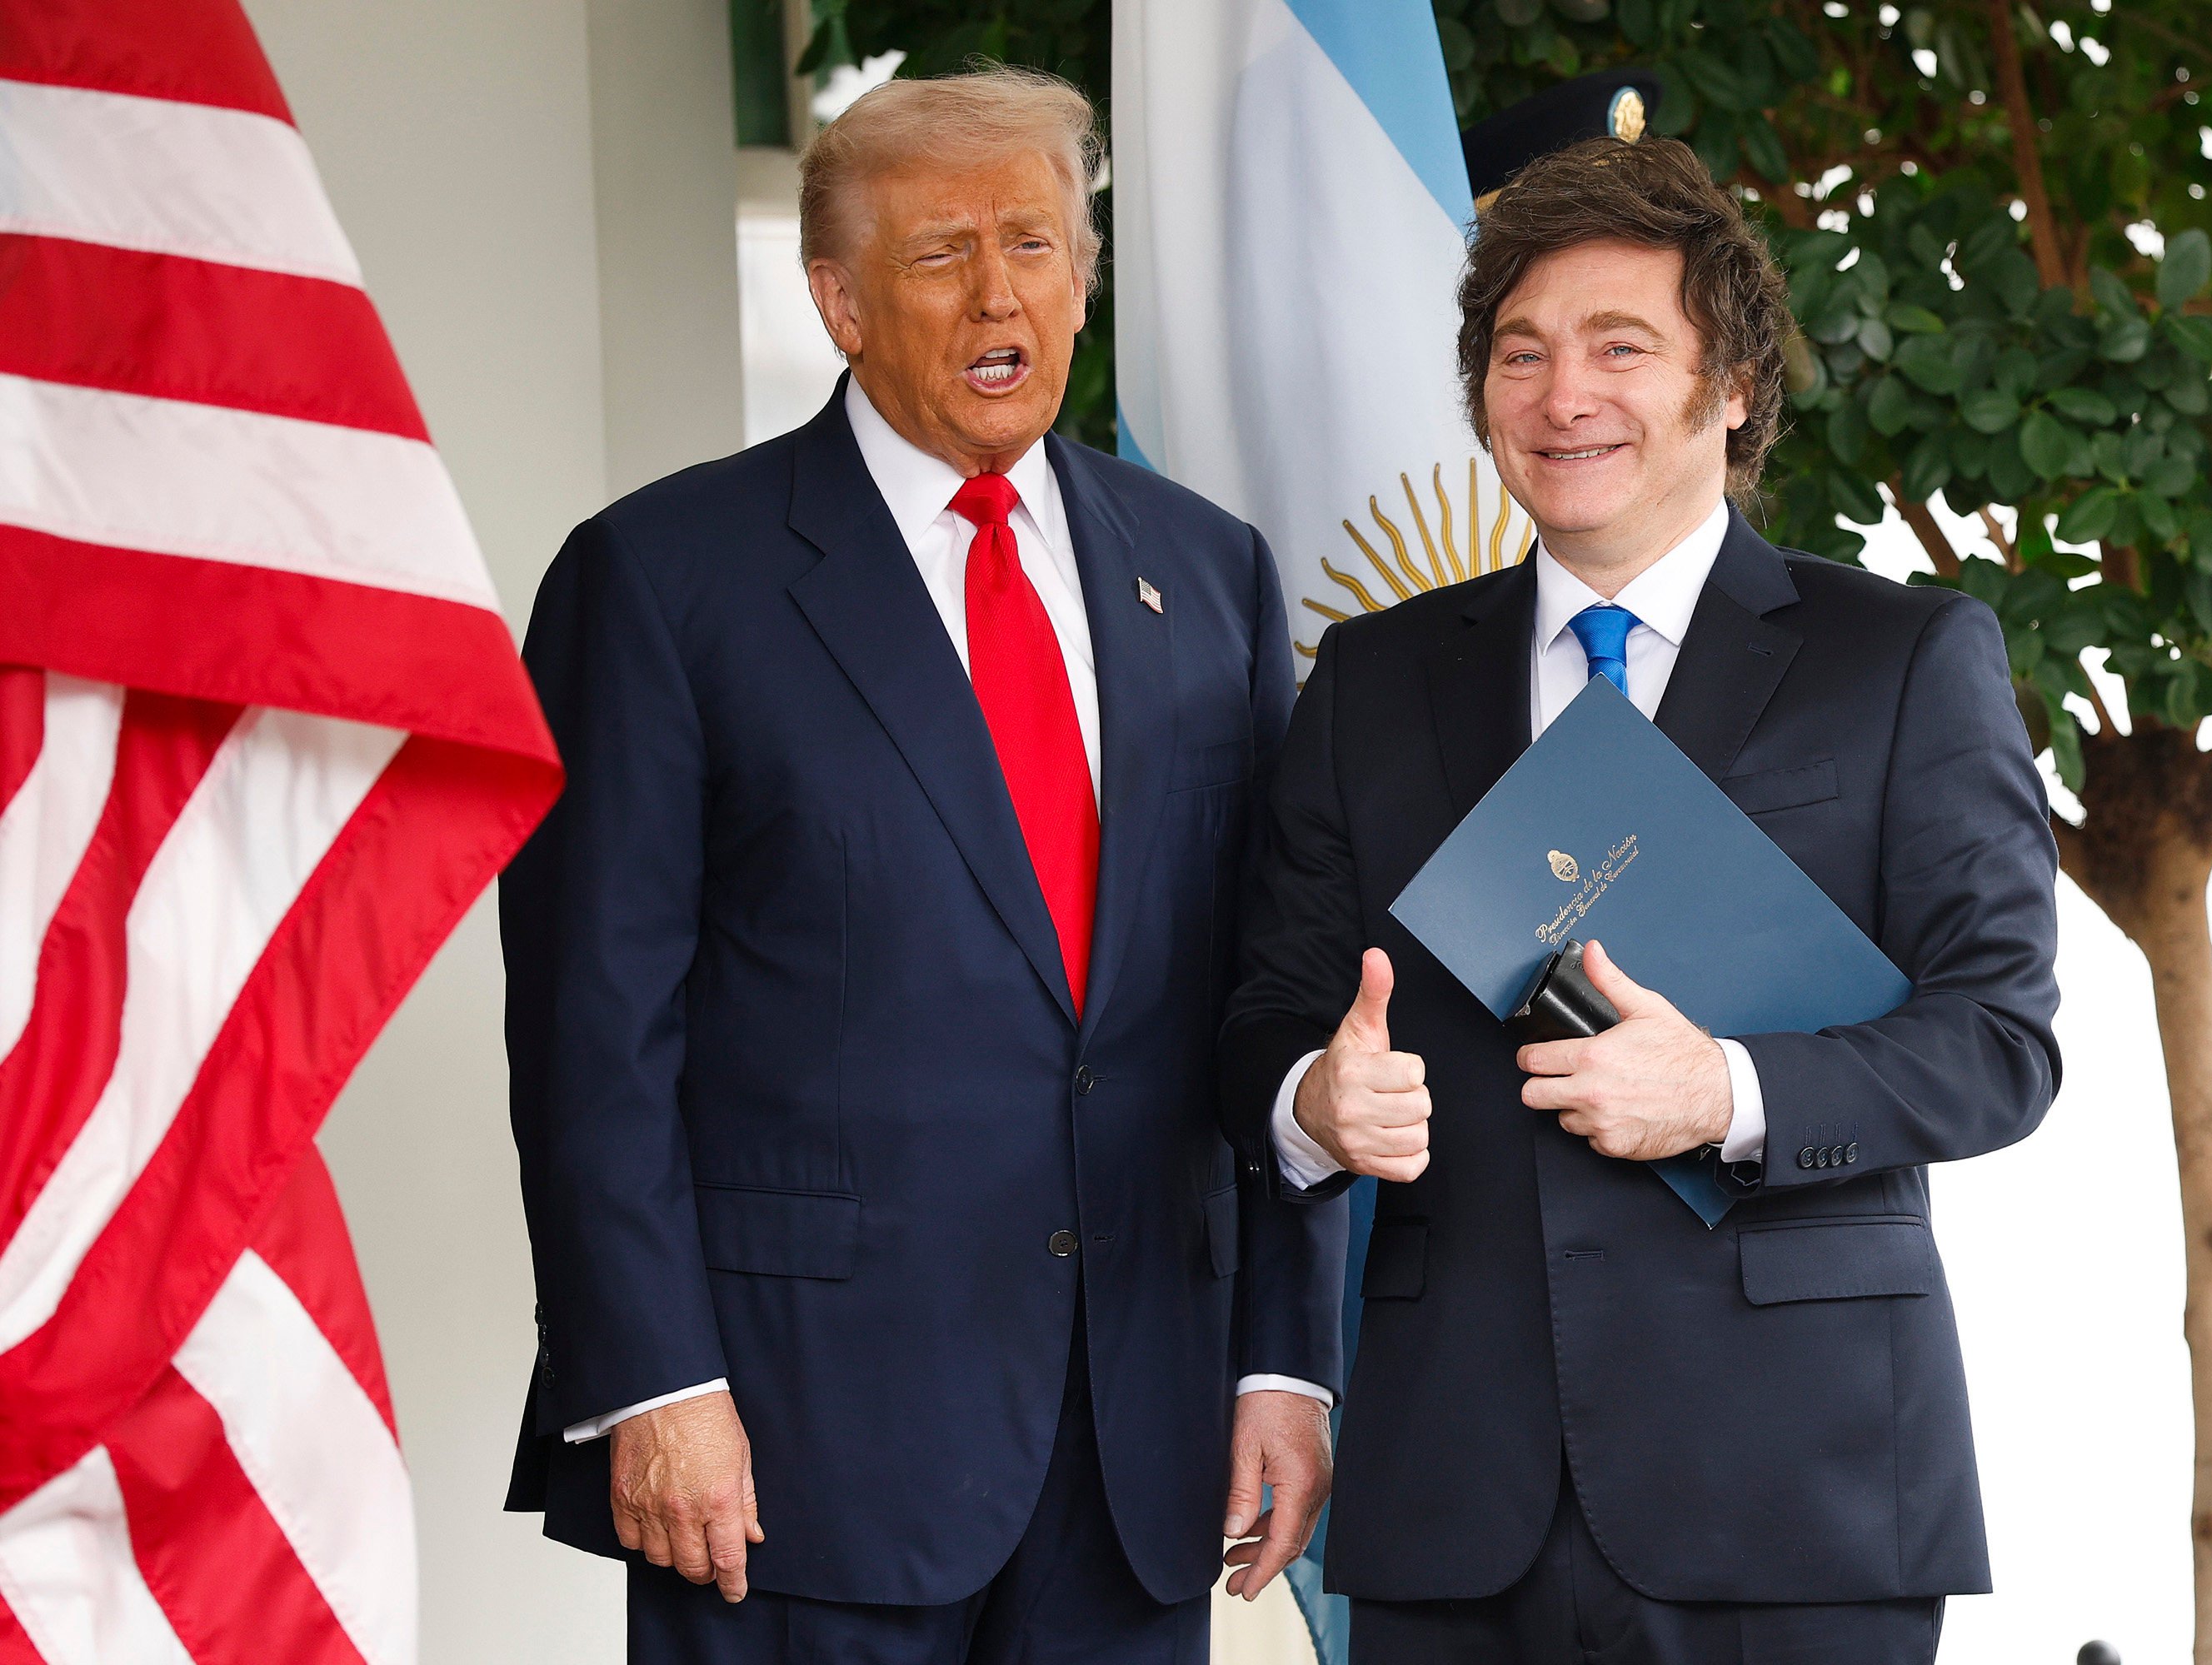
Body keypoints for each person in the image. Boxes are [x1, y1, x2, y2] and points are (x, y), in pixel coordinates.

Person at [502, 67, 1342, 1665]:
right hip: (792, 1442)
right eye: (942, 253)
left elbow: (1276, 994)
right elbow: (588, 1031)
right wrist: (656, 1380)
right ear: (839, 302)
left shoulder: (1210, 571)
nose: (998, 293)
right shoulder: (661, 580)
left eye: (1034, 244)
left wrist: (1281, 1362)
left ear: (1082, 282)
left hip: (1137, 1435)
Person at [1219, 137, 2062, 1664]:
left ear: (1730, 386)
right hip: (1455, 1498)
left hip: (1797, 1491)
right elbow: (1265, 1017)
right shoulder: (1371, 683)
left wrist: (1727, 1091)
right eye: (1521, 353)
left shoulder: (1903, 661)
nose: (1564, 396)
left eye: (1621, 348)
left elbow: (2001, 1043)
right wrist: (1310, 1106)